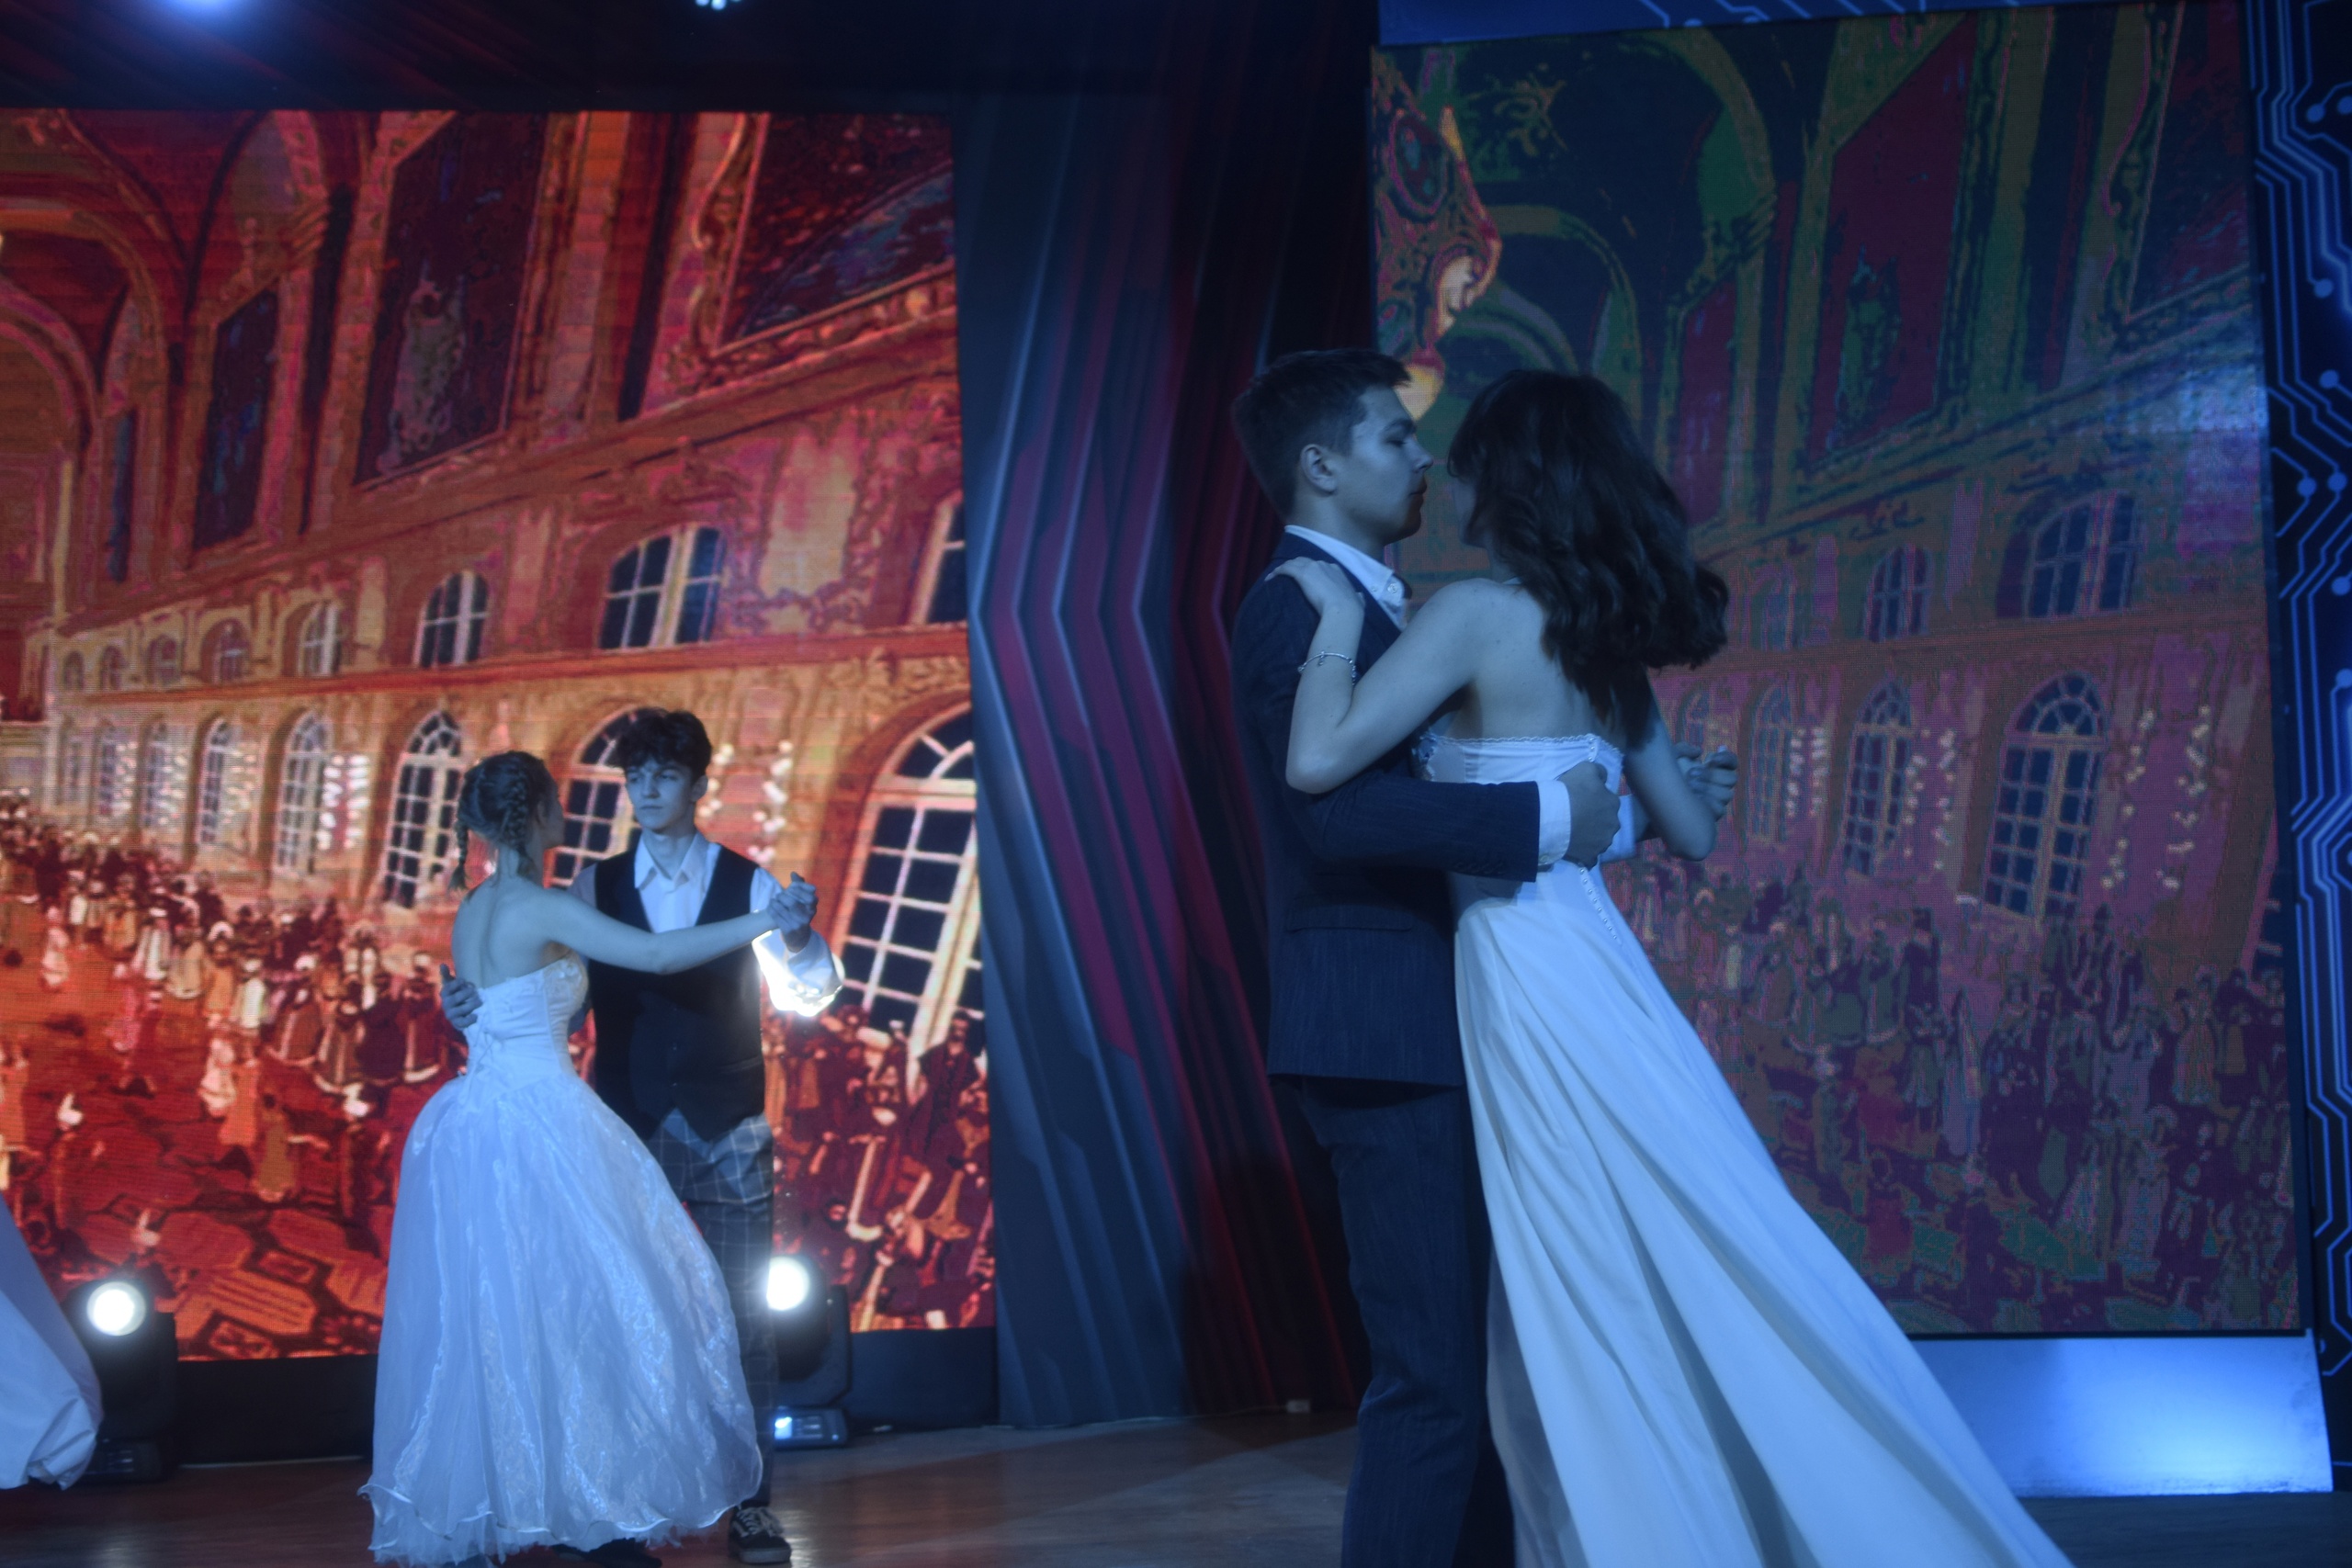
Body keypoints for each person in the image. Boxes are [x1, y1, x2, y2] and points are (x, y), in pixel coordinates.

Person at [1271, 367, 2066, 1565]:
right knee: (1676, 1236)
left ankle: (1640, 1517)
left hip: (1514, 974)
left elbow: (1317, 762)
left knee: (1577, 1271)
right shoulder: (1604, 646)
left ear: (1510, 480)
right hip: (1603, 971)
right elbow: (1687, 830)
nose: (1446, 473)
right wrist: (1659, 794)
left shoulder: (1472, 613)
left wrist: (1333, 623)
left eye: (1465, 456)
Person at [1226, 349, 1736, 1567]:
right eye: (1395, 437)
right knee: (1436, 1380)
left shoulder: (1417, 609)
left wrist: (1590, 805)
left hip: (1472, 1012)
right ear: (1321, 464)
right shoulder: (1297, 601)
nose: (1423, 458)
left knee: (1491, 1366)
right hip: (1387, 1028)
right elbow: (1333, 817)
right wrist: (1553, 815)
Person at [369, 750, 814, 1568]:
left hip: (477, 1124)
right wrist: (764, 919)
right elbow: (658, 955)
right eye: (557, 799)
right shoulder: (540, 905)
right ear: (539, 813)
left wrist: (462, 1006)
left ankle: (540, 1503)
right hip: (541, 1122)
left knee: (507, 1318)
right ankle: (593, 1512)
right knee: (593, 1308)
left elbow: (498, 1004)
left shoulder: (475, 906)